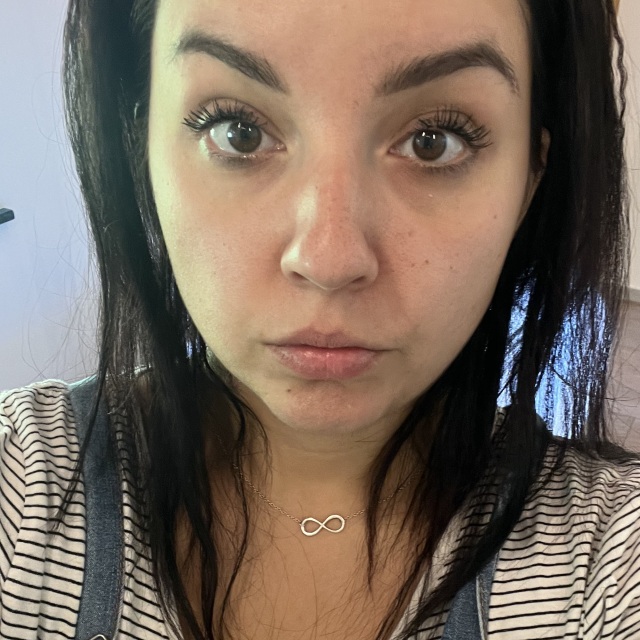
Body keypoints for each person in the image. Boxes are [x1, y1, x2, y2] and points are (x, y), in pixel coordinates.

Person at [1, 0, 639, 638]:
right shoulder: (23, 483)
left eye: (434, 140)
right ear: (141, 147)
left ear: (529, 177)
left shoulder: (610, 558)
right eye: (237, 130)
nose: (328, 260)